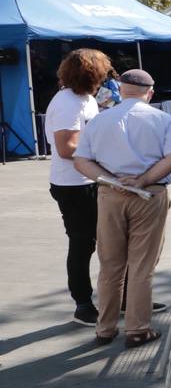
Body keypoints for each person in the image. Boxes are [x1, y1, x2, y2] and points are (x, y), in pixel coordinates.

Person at [72, 69, 171, 347]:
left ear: (120, 90)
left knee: (110, 265)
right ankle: (137, 328)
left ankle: (105, 328)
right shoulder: (161, 119)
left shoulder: (100, 120)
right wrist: (144, 179)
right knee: (141, 265)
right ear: (150, 92)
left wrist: (112, 180)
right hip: (149, 194)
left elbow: (81, 161)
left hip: (111, 195)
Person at [47, 48, 112, 326]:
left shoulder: (85, 99)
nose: (106, 75)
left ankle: (119, 298)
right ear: (91, 73)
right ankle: (83, 304)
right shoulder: (68, 103)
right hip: (74, 185)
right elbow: (66, 147)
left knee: (111, 241)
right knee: (82, 243)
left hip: (89, 180)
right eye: (103, 70)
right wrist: (104, 152)